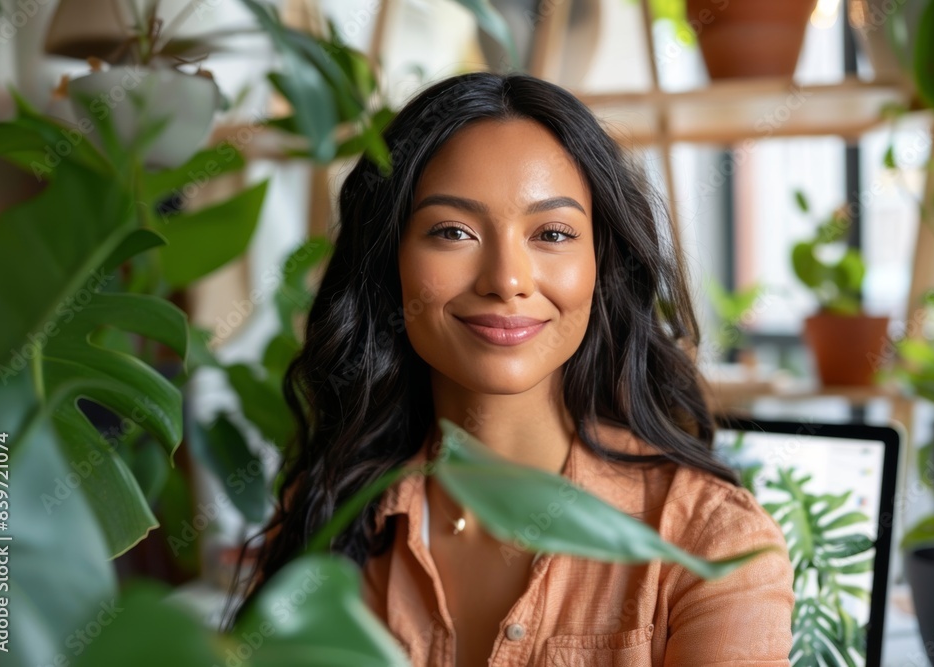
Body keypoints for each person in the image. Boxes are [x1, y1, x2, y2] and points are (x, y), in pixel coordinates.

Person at [239, 71, 794, 666]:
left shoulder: (710, 543)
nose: (506, 280)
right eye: (453, 231)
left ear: (602, 265)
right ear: (389, 262)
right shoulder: (329, 510)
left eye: (552, 233)